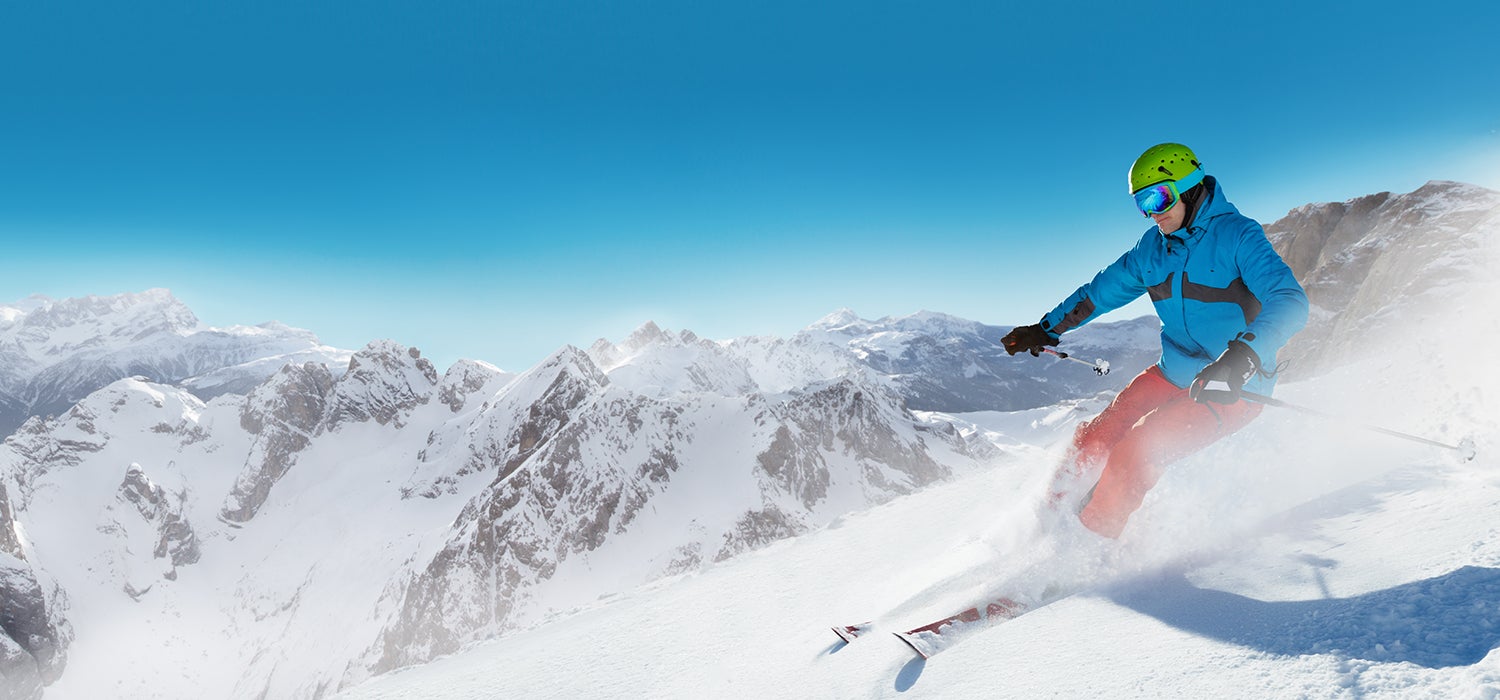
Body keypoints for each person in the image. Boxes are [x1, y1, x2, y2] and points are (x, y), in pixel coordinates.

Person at [1001, 143, 1308, 539]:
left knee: (1136, 451)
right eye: (1141, 203)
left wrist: (1240, 359)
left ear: (1189, 185)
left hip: (1233, 386)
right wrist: (1047, 329)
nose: (1152, 212)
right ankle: (1044, 531)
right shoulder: (1154, 248)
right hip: (1175, 372)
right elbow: (1101, 291)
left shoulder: (1237, 236)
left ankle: (1086, 552)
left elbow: (1291, 302)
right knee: (1092, 437)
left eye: (1157, 197)